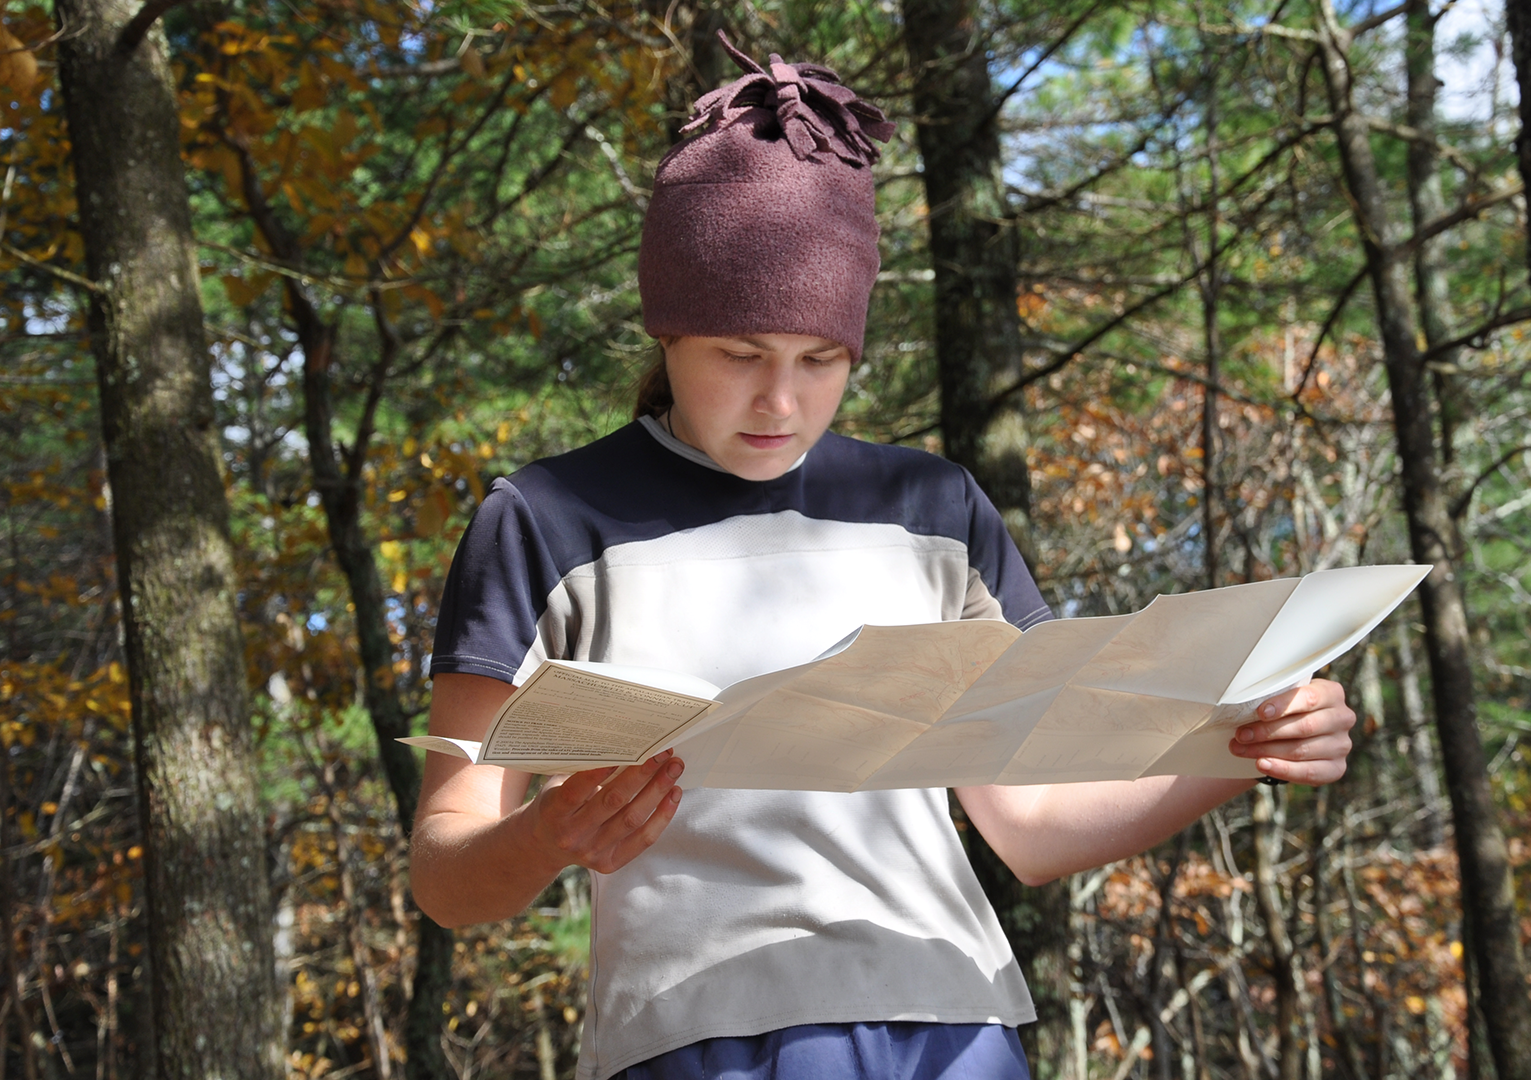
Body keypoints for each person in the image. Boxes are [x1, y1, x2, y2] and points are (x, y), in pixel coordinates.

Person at [409, 38, 1357, 1080]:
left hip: (958, 1025)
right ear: (668, 330)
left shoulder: (933, 508)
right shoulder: (546, 519)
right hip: (699, 1038)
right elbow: (448, 875)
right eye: (739, 355)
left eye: (821, 361)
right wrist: (551, 836)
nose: (781, 400)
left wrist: (1240, 745)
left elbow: (1032, 822)